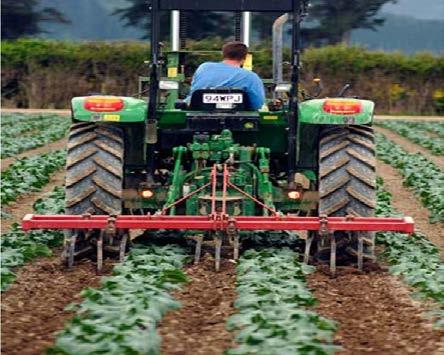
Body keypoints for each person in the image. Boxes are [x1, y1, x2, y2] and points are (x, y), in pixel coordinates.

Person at [189, 41, 265, 110]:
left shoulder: (204, 67)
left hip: (199, 116)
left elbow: (193, 93)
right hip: (237, 120)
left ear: (223, 54)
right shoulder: (251, 77)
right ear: (244, 58)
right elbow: (257, 105)